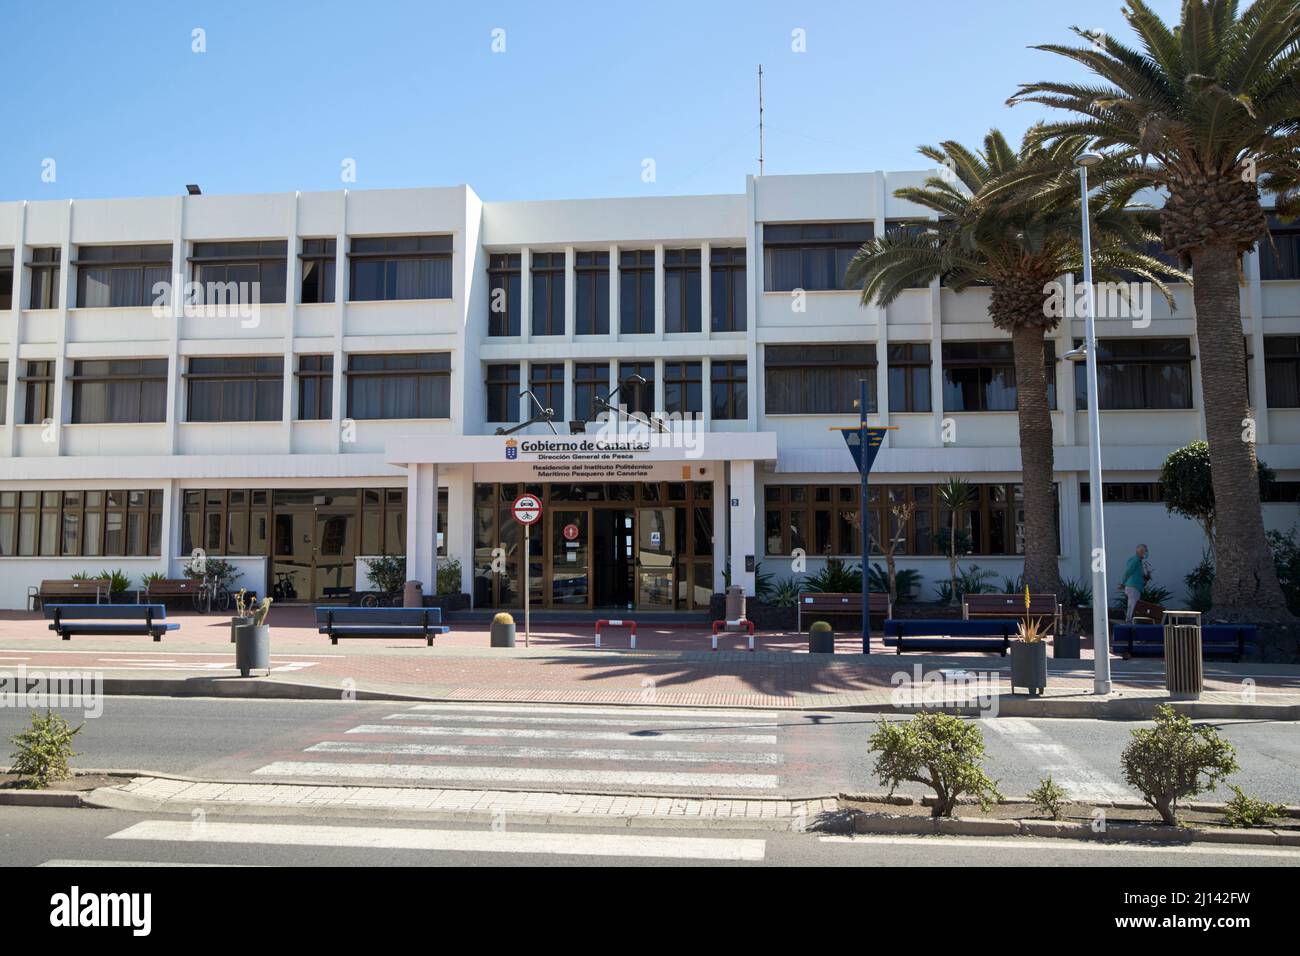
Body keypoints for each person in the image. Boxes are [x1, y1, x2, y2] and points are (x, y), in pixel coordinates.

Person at [1119, 544, 1150, 623]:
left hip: (1135, 587)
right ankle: (1129, 622)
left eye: (1145, 551)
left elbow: (1138, 574)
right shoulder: (1135, 560)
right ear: (1139, 552)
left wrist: (1145, 578)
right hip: (1133, 587)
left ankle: (1129, 621)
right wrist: (1123, 583)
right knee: (1132, 605)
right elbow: (1128, 571)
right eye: (1144, 551)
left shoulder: (1138, 561)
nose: (1145, 553)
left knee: (1133, 605)